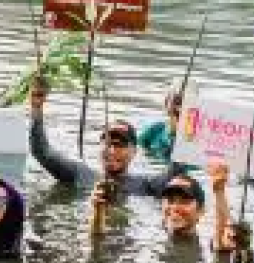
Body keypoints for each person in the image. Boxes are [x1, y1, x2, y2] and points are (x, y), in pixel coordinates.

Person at [29, 81, 179, 200]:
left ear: (134, 151)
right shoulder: (80, 174)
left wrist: (176, 124)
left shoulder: (146, 185)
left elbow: (178, 169)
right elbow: (42, 152)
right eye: (108, 144)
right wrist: (37, 108)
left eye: (119, 145)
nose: (112, 151)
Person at [138, 88, 182, 163]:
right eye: (176, 102)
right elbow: (138, 145)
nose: (177, 108)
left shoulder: (197, 140)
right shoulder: (157, 128)